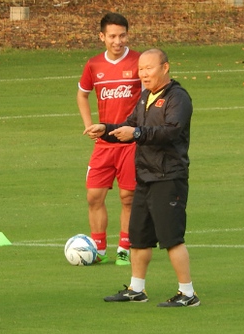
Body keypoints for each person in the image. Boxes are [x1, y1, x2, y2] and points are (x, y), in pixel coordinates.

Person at [84, 48, 199, 307]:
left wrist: (136, 134)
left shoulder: (178, 97)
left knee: (172, 238)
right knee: (139, 236)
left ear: (165, 68)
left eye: (149, 68)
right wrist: (106, 129)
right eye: (141, 69)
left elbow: (171, 131)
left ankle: (188, 293)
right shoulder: (145, 96)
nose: (144, 74)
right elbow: (130, 124)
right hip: (145, 176)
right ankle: (137, 289)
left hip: (168, 176)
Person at [77, 12, 142, 265]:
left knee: (128, 197)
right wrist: (89, 125)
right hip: (104, 143)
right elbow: (82, 95)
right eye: (112, 36)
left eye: (122, 35)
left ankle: (125, 248)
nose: (118, 41)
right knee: (94, 196)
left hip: (130, 143)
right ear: (101, 36)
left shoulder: (138, 61)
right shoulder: (93, 65)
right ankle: (99, 249)